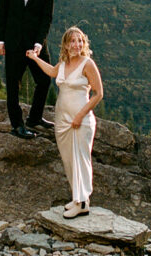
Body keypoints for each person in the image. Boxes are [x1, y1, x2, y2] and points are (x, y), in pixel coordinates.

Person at [26, 26, 103, 218]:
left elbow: (98, 94)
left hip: (80, 119)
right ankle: (77, 199)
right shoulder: (63, 64)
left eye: (80, 41)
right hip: (62, 119)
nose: (77, 45)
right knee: (68, 160)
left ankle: (84, 201)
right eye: (73, 41)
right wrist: (35, 58)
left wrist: (80, 116)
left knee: (81, 159)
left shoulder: (88, 64)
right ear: (66, 45)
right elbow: (52, 72)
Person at [0, 0, 55, 139]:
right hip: (13, 43)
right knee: (13, 86)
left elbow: (46, 18)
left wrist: (39, 43)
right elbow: (2, 12)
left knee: (45, 79)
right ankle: (17, 126)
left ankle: (35, 118)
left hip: (36, 45)